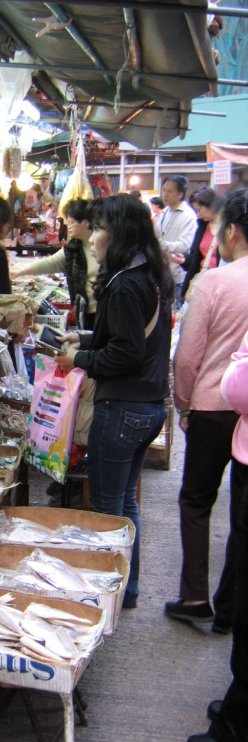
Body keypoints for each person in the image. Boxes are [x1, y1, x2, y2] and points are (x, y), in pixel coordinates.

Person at [55, 194, 174, 608]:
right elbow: (133, 337)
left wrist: (78, 358)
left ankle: (105, 594)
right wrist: (86, 339)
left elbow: (126, 353)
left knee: (107, 509)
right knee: (125, 504)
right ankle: (128, 590)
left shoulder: (125, 283)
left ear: (118, 233)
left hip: (122, 410)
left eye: (99, 228)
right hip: (149, 407)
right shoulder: (152, 273)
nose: (92, 237)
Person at [166, 190, 248, 632]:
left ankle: (196, 595)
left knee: (197, 500)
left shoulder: (216, 282)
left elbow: (188, 357)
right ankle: (232, 605)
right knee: (242, 516)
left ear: (232, 231)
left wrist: (183, 404)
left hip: (213, 406)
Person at [186, 328, 248, 742]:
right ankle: (238, 706)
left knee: (196, 501)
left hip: (220, 415)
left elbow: (239, 386)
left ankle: (239, 727)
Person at [10, 199, 99, 329]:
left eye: (72, 222)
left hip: (104, 312)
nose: (67, 225)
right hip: (84, 311)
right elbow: (50, 263)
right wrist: (19, 271)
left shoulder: (103, 247)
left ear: (86, 222)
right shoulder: (74, 247)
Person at [156, 175, 197, 307]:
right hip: (161, 272)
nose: (165, 194)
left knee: (173, 312)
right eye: (164, 190)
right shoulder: (165, 212)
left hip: (176, 274)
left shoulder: (188, 215)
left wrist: (160, 244)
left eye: (170, 191)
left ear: (180, 194)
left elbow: (185, 246)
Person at [180, 186, 223, 300]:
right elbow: (196, 258)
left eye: (199, 209)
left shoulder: (229, 228)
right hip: (202, 282)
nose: (198, 214)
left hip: (220, 284)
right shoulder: (202, 227)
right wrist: (184, 259)